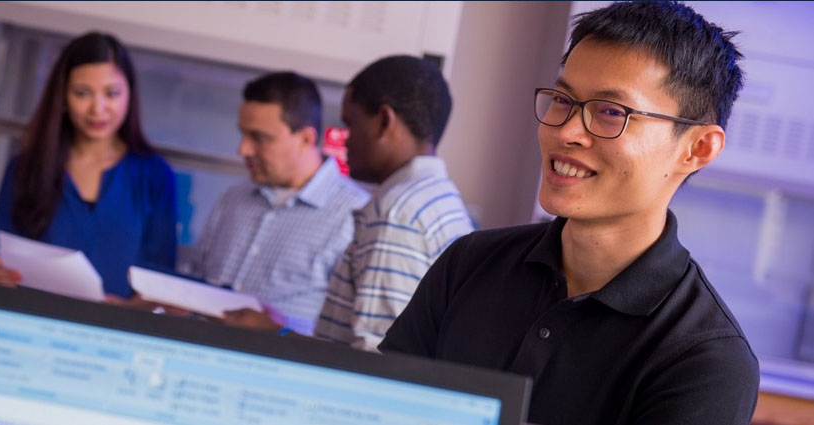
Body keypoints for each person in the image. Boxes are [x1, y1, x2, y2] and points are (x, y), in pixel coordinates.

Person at [379, 2, 759, 424]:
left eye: (612, 112)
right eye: (563, 100)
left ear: (697, 148)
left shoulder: (705, 358)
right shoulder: (468, 263)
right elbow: (380, 408)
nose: (566, 132)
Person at [225, 56, 475, 351]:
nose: (344, 140)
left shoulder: (395, 213)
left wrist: (276, 334)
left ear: (384, 121)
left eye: (350, 123)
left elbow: (376, 360)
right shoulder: (439, 198)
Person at [0, 32, 177, 299]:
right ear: (63, 98)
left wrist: (124, 310)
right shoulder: (25, 169)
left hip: (118, 334)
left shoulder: (155, 177)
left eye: (111, 94)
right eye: (82, 94)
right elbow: (1, 266)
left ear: (129, 95)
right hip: (32, 328)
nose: (97, 109)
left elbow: (161, 287)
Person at [187, 72, 369, 335]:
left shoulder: (355, 217)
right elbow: (197, 281)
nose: (243, 150)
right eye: (243, 134)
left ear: (305, 139)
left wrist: (279, 330)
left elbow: (350, 335)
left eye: (259, 137)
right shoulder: (233, 199)